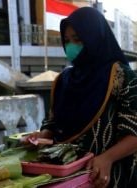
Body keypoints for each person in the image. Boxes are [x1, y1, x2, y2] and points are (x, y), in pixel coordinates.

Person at [21, 7, 137, 188]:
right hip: (63, 176)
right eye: (66, 41)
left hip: (108, 177)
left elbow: (134, 132)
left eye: (77, 39)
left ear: (95, 38)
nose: (71, 47)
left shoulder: (122, 77)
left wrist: (107, 158)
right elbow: (53, 123)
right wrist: (41, 138)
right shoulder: (64, 80)